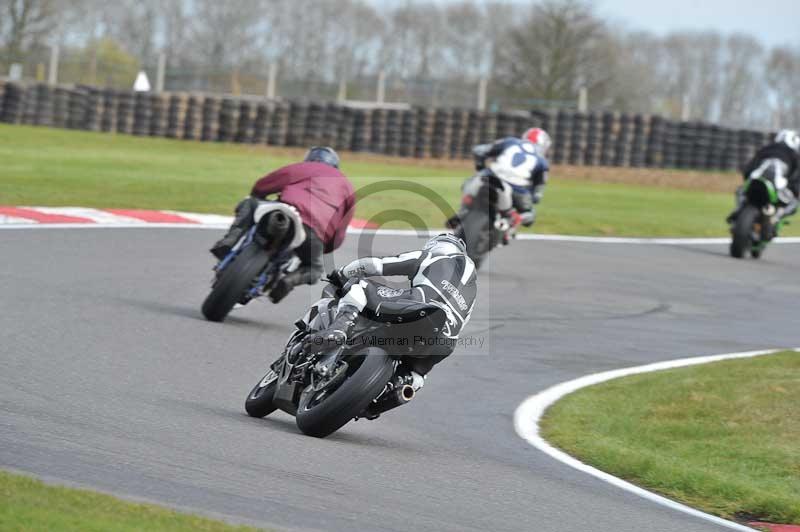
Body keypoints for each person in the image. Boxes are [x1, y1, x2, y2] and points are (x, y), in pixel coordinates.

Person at [303, 233, 478, 391]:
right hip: (443, 343)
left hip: (417, 310)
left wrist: (341, 273)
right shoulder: (473, 291)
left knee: (360, 286)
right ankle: (397, 391)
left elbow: (374, 265)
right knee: (415, 377)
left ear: (436, 246)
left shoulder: (431, 257)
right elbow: (462, 325)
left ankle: (339, 329)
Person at [210, 147, 355, 303]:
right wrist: (325, 246)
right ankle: (288, 281)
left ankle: (228, 241)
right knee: (314, 269)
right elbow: (339, 233)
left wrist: (258, 195)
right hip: (315, 234)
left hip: (286, 212)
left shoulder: (307, 167)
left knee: (249, 203)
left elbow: (265, 184)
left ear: (311, 159)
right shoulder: (347, 186)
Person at [448, 128, 552, 229]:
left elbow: (479, 151)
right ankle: (513, 220)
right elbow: (537, 194)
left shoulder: (510, 142)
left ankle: (462, 212)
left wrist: (481, 169)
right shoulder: (542, 162)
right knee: (529, 214)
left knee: (468, 182)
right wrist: (531, 197)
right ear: (544, 146)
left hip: (491, 176)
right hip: (517, 188)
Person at [728, 129, 800, 223]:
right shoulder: (794, 155)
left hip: (756, 178)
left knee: (741, 191)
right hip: (778, 183)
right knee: (794, 202)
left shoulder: (766, 148)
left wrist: (747, 179)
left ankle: (738, 209)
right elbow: (796, 178)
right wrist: (794, 190)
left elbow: (749, 168)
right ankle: (776, 217)